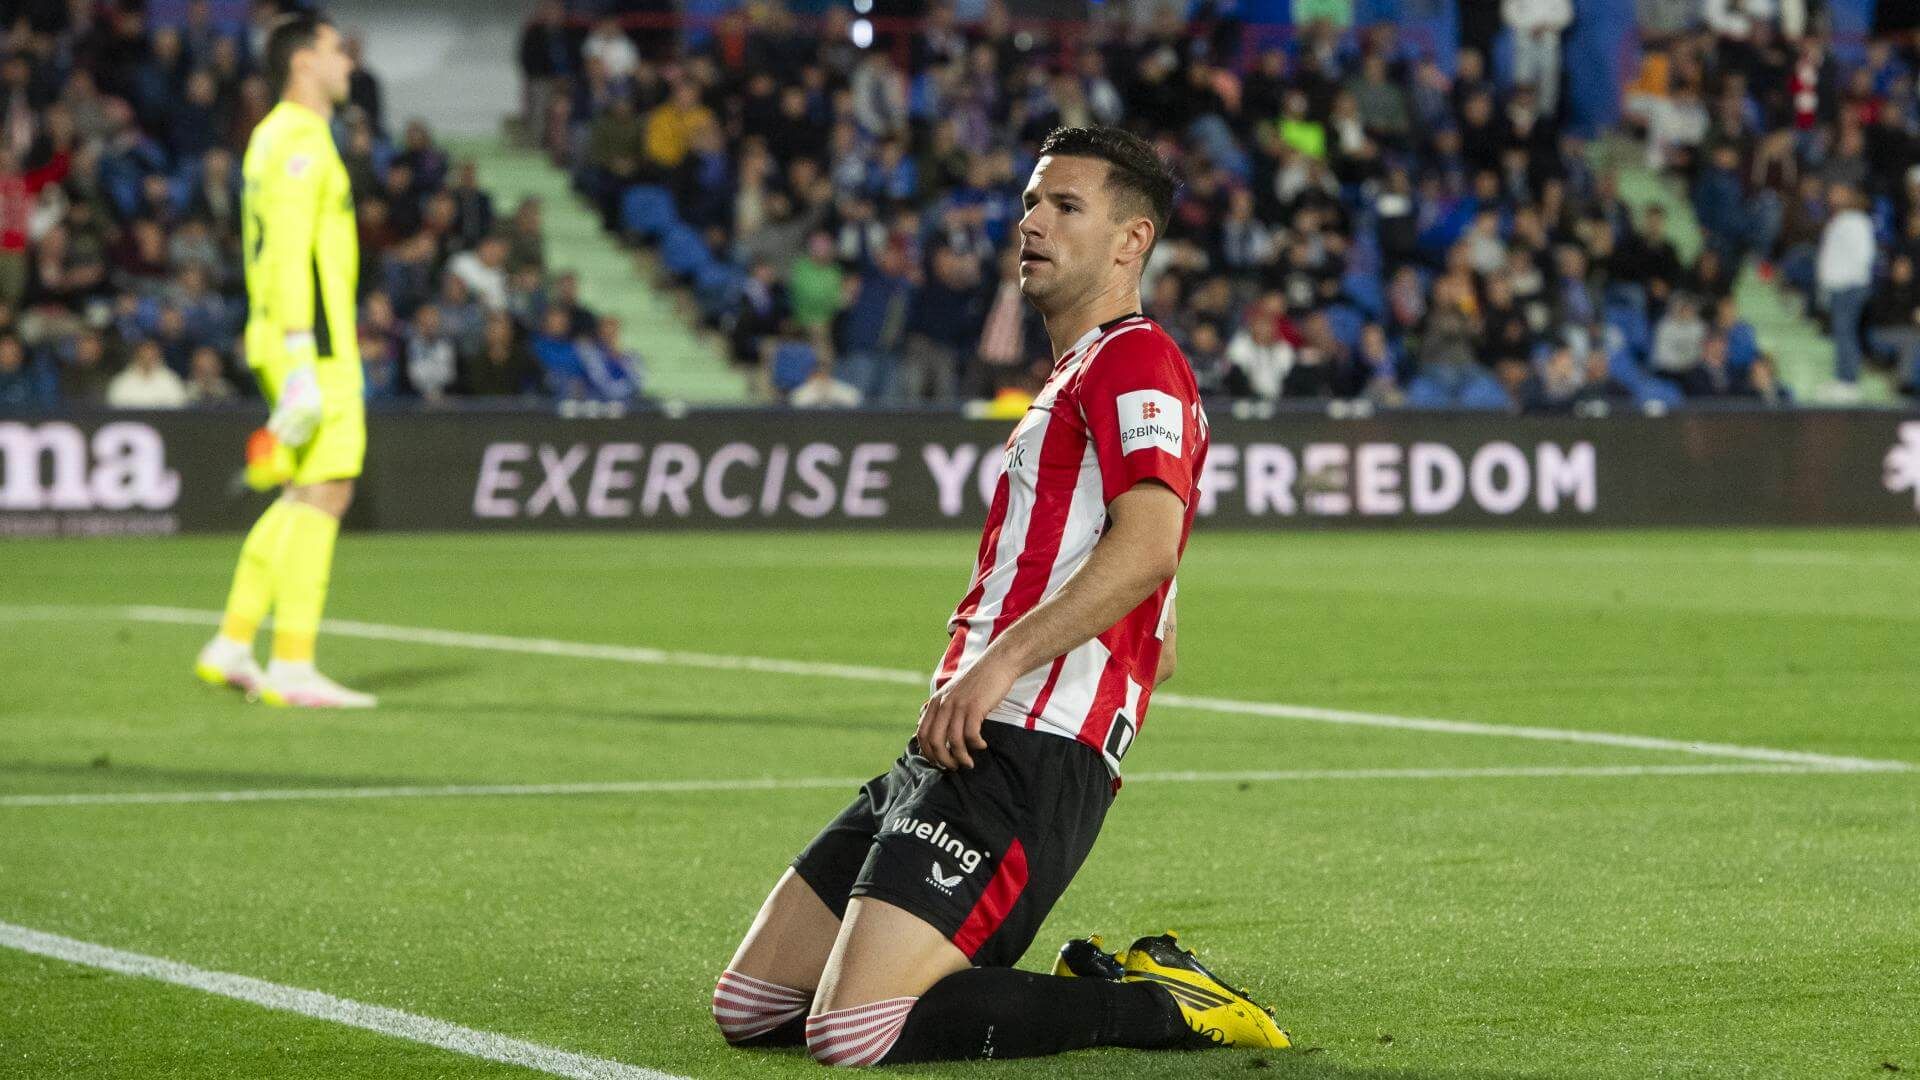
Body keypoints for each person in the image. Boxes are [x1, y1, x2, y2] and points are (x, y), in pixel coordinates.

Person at [713, 126, 1287, 1068]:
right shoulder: (1072, 376)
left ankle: (1157, 1005)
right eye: (1030, 202)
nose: (1032, 222)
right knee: (752, 1005)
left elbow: (1148, 549)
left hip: (1030, 747)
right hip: (961, 738)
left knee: (852, 1032)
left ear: (1132, 241)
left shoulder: (1136, 359)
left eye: (1066, 206)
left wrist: (1001, 666)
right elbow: (1162, 625)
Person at [194, 12, 375, 709]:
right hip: (312, 340)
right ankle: (294, 665)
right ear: (303, 61)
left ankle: (233, 642)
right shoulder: (299, 138)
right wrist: (302, 354)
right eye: (336, 50)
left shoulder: (273, 136)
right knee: (329, 490)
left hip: (287, 333)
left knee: (302, 492)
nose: (348, 62)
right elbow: (292, 249)